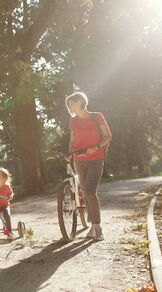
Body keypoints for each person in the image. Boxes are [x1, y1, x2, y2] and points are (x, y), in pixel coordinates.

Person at [66, 92, 112, 241]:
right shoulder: (73, 121)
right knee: (85, 193)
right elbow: (72, 140)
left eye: (71, 103)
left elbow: (108, 136)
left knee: (91, 191)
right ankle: (92, 225)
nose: (70, 107)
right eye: (69, 105)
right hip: (79, 160)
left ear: (80, 102)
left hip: (96, 159)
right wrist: (70, 154)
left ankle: (98, 227)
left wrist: (96, 146)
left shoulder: (96, 116)